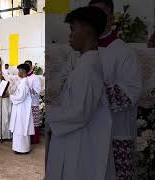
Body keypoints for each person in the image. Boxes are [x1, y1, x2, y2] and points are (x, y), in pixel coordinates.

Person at [46, 6, 116, 180]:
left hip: (79, 142)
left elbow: (80, 113)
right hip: (75, 137)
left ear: (88, 29)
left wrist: (49, 113)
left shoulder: (88, 68)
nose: (69, 35)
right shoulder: (83, 63)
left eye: (72, 29)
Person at [89, 1, 142, 179]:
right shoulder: (82, 51)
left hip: (116, 131)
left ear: (111, 17)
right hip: (88, 131)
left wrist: (93, 92)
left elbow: (130, 93)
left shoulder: (124, 52)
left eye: (101, 13)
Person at [9, 64, 34, 154]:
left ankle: (22, 149)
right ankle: (19, 148)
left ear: (23, 71)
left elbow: (20, 97)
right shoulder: (23, 81)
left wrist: (10, 96)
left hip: (22, 109)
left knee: (21, 127)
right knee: (19, 128)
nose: (18, 72)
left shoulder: (24, 82)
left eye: (19, 71)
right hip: (20, 108)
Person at [25, 60, 42, 144]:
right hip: (25, 103)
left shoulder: (35, 77)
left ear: (31, 67)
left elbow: (38, 90)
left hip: (33, 102)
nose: (27, 67)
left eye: (28, 66)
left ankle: (34, 139)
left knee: (33, 121)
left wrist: (29, 89)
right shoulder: (23, 77)